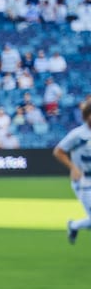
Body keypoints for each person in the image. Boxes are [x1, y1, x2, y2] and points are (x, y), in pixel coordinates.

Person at [52, 97, 91, 244]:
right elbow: (58, 151)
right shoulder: (78, 134)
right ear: (87, 116)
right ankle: (73, 225)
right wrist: (73, 168)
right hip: (83, 181)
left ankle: (73, 225)